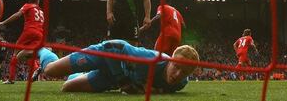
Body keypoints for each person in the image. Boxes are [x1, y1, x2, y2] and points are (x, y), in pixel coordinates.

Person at [36, 39, 199, 94]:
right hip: (104, 56)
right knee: (51, 71)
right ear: (170, 60)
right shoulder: (149, 59)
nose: (178, 74)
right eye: (176, 66)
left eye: (184, 72)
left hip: (112, 75)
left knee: (67, 87)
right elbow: (114, 46)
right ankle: (43, 50)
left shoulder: (181, 84)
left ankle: (82, 74)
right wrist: (123, 81)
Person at [0, 0, 44, 84]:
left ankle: (11, 79)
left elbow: (17, 15)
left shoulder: (28, 5)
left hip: (30, 31)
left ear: (30, 0)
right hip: (40, 34)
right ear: (37, 1)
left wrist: (4, 22)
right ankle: (36, 72)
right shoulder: (41, 11)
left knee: (15, 53)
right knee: (30, 55)